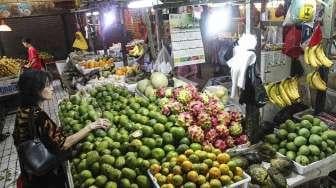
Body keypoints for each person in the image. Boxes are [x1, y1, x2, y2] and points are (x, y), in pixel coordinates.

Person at [13, 69, 109, 188]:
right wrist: (90, 126)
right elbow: (63, 144)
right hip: (46, 175)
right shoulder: (38, 115)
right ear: (35, 89)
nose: (52, 88)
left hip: (29, 169)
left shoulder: (22, 109)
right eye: (47, 85)